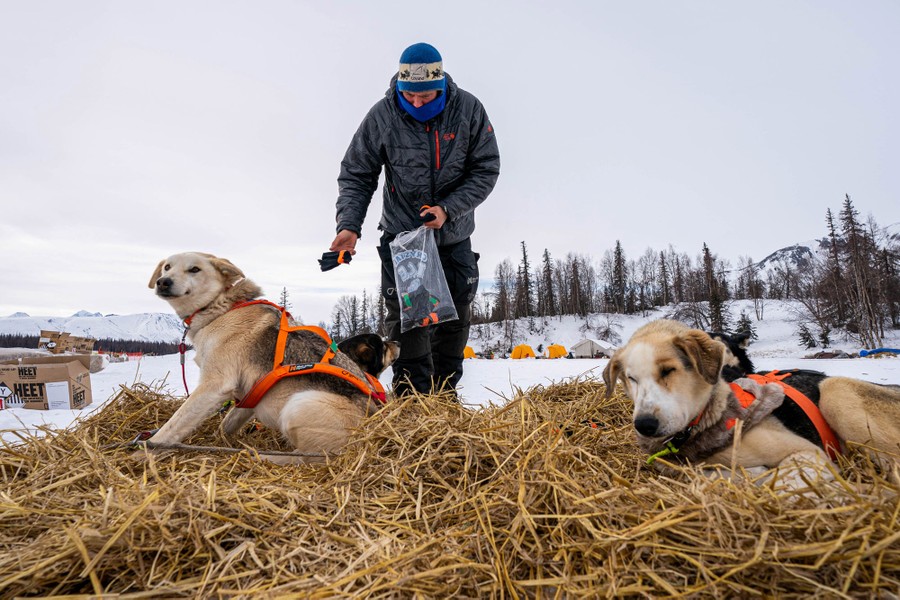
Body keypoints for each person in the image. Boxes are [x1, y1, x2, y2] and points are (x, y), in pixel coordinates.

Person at [330, 42, 500, 398]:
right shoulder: (383, 115)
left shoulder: (467, 109)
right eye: (411, 96)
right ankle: (412, 403)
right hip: (403, 241)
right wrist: (349, 226)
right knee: (410, 326)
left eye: (426, 96)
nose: (418, 103)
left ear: (440, 85)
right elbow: (357, 174)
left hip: (453, 238)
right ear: (400, 87)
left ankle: (445, 400)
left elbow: (486, 168)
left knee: (454, 323)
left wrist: (449, 208)